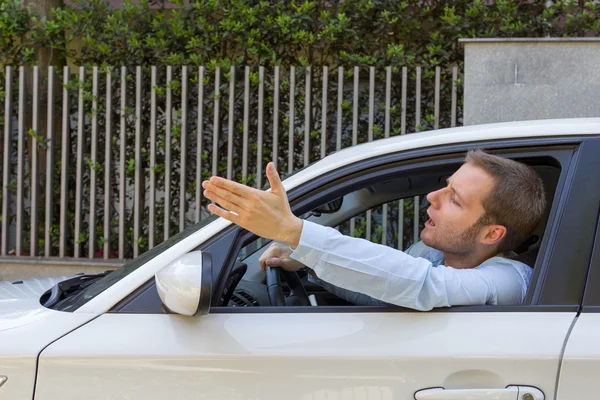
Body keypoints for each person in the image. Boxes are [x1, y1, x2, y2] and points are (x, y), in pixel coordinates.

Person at [201, 149, 546, 310]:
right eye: (445, 185)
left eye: (455, 199)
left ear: (491, 235)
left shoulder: (510, 281)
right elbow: (382, 287)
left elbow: (423, 285)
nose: (432, 196)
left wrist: (295, 232)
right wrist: (306, 262)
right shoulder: (433, 255)